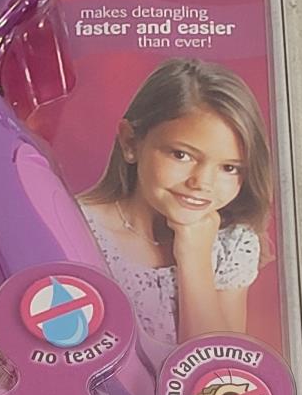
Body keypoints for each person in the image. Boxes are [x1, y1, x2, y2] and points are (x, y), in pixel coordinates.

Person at [79, 58, 274, 346]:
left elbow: (217, 366)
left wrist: (195, 257)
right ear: (131, 142)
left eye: (229, 168)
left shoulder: (231, 244)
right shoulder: (78, 229)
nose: (202, 182)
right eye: (182, 155)